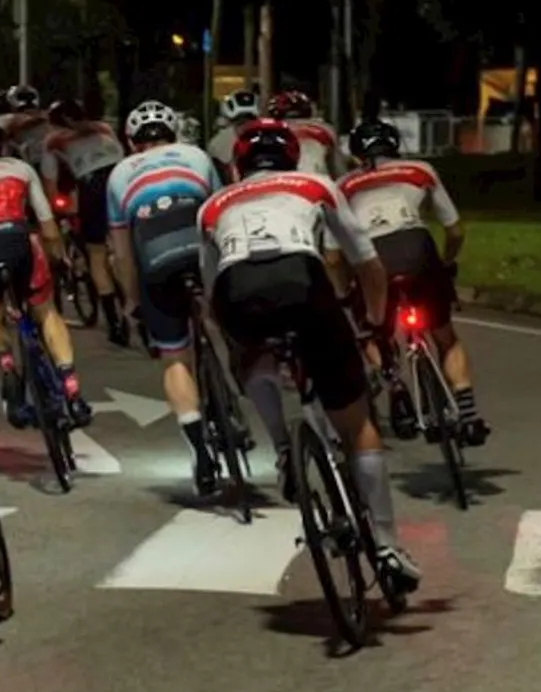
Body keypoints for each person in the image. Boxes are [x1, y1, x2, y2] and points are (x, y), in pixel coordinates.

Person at [199, 118, 421, 593]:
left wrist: (242, 344)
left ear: (239, 165)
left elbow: (212, 293)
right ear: (291, 158)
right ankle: (385, 544)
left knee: (250, 356)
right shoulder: (316, 185)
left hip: (238, 287)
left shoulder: (213, 205)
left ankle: (282, 447)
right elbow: (367, 263)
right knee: (357, 421)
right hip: (303, 278)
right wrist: (375, 323)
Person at [338, 119, 488, 446]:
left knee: (370, 332)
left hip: (374, 258)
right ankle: (469, 413)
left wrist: (344, 289)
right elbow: (455, 230)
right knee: (445, 335)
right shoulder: (421, 169)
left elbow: (335, 256)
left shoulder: (344, 185)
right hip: (417, 249)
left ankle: (395, 385)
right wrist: (445, 264)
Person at [106, 101, 227, 493]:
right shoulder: (197, 155)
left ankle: (199, 451)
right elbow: (221, 214)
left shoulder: (119, 174)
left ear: (132, 141)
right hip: (200, 251)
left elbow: (122, 254)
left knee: (174, 358)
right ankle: (232, 380)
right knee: (219, 317)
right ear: (174, 132)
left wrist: (131, 301)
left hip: (156, 260)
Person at [0, 116, 94, 430]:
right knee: (46, 312)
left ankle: (8, 366)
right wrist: (59, 257)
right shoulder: (20, 168)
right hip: (18, 242)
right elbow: (47, 223)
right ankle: (72, 389)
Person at [40, 101, 130, 345]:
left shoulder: (53, 140)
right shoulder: (102, 128)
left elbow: (50, 183)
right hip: (121, 178)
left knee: (96, 254)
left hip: (91, 184)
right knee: (125, 248)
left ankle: (114, 324)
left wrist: (56, 213)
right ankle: (138, 312)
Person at [268, 90, 344, 179]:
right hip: (318, 182)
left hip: (278, 184)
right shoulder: (325, 129)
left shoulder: (270, 132)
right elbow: (339, 171)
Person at [207, 89, 261, 179]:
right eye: (239, 122)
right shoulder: (218, 144)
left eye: (250, 121)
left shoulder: (269, 140)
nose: (245, 127)